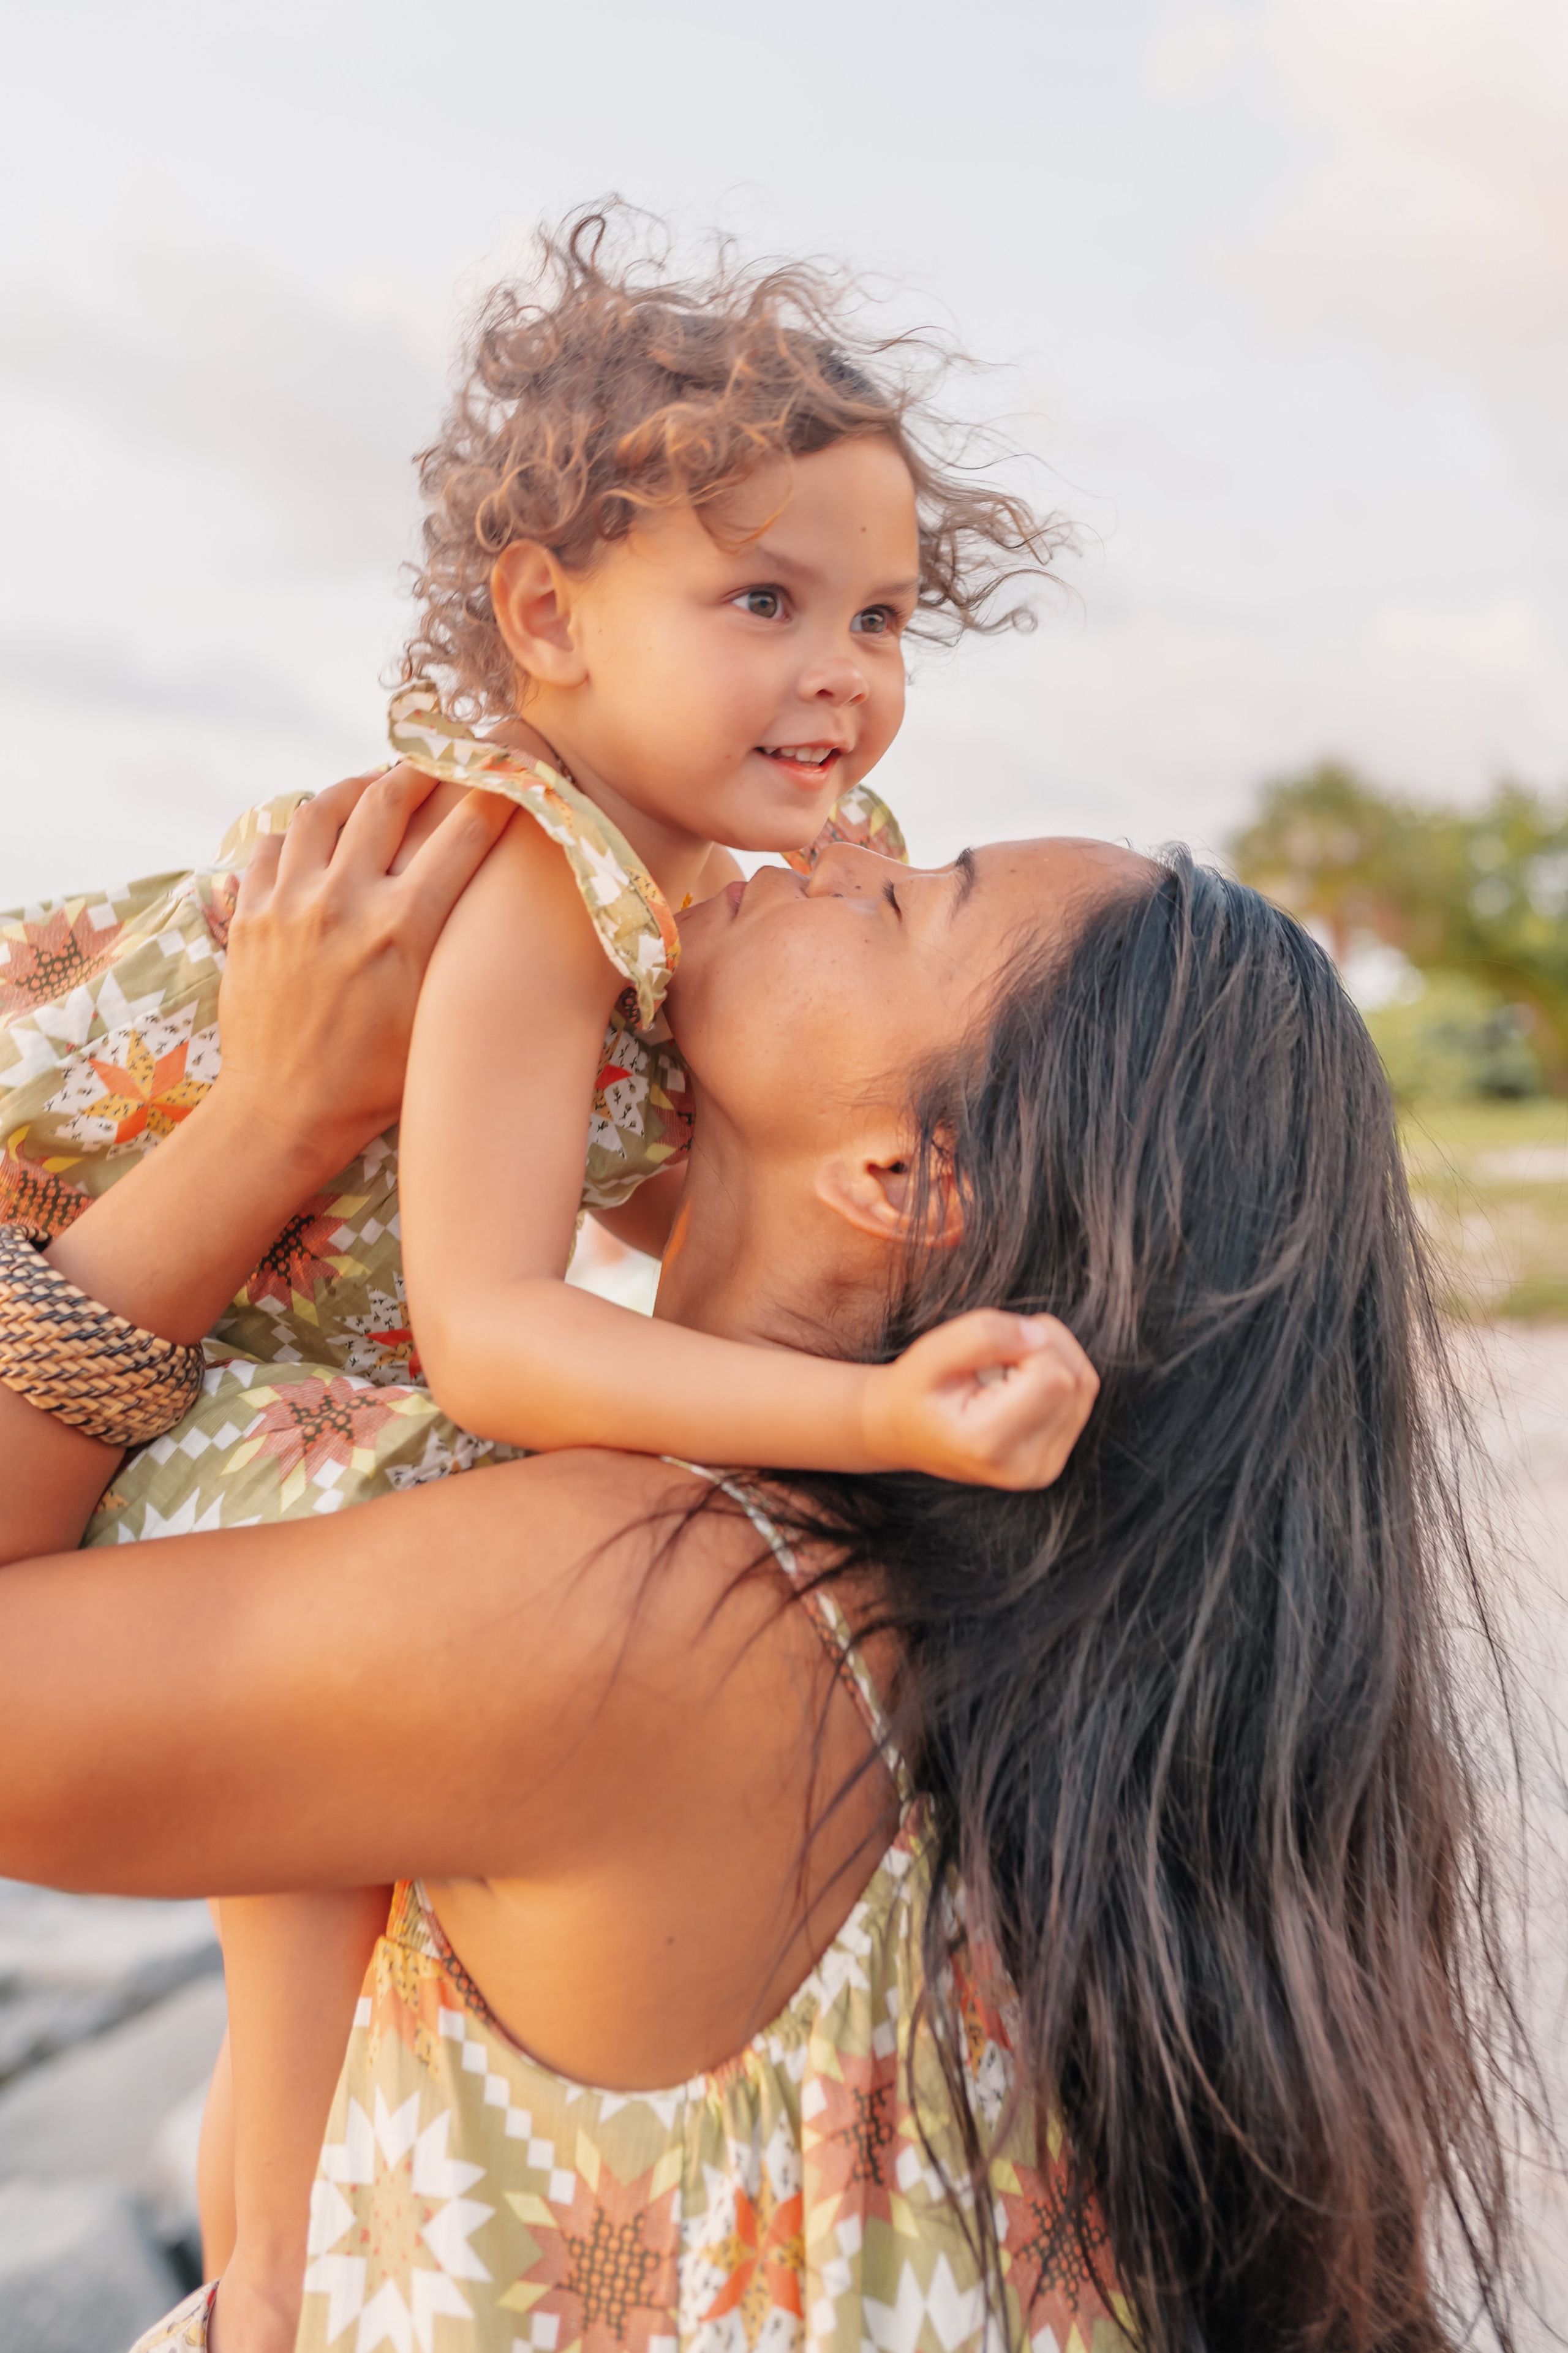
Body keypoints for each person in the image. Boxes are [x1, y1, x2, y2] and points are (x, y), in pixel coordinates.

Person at [0, 779, 1519, 2353]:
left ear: (905, 1180)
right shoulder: (951, 1605)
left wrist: (271, 1119)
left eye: (901, 900)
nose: (830, 850)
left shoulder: (651, 1608)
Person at [0, 209, 1082, 2340]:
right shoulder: (533, 881)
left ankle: (265, 2288)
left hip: (279, 1362)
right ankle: (268, 2284)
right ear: (546, 618)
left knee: (299, 1937)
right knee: (294, 1934)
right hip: (154, 1277)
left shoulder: (667, 893)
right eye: (764, 599)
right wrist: (872, 1412)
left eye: (877, 611)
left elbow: (661, 1245)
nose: (843, 671)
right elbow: (503, 1324)